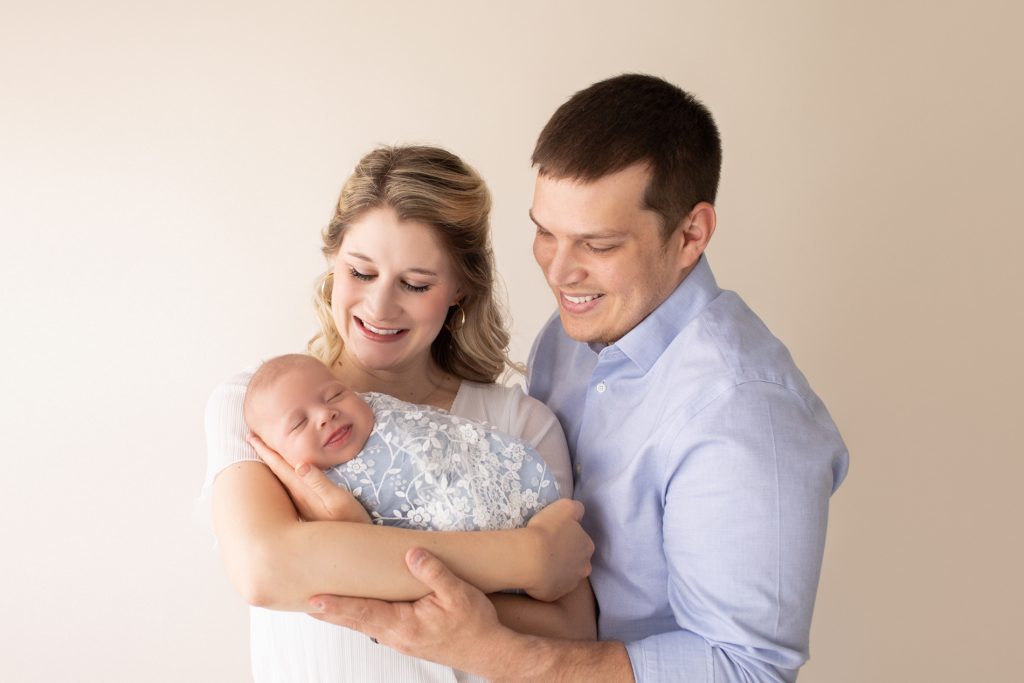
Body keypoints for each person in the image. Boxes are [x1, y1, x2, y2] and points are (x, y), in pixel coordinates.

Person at [307, 75, 850, 682]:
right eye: (546, 232)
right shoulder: (570, 337)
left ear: (691, 234)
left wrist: (491, 650)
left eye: (598, 244)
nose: (560, 272)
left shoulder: (746, 411)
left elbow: (747, 671)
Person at [204, 145, 595, 682]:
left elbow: (570, 632)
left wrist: (349, 552)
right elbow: (265, 569)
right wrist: (527, 557)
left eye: (415, 284)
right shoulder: (259, 408)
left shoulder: (519, 425)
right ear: (332, 261)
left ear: (461, 287)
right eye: (360, 272)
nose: (380, 307)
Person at [242, 352, 561, 531]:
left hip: (511, 489)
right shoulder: (305, 493)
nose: (326, 415)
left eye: (335, 395)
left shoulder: (380, 411)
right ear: (275, 455)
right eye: (299, 423)